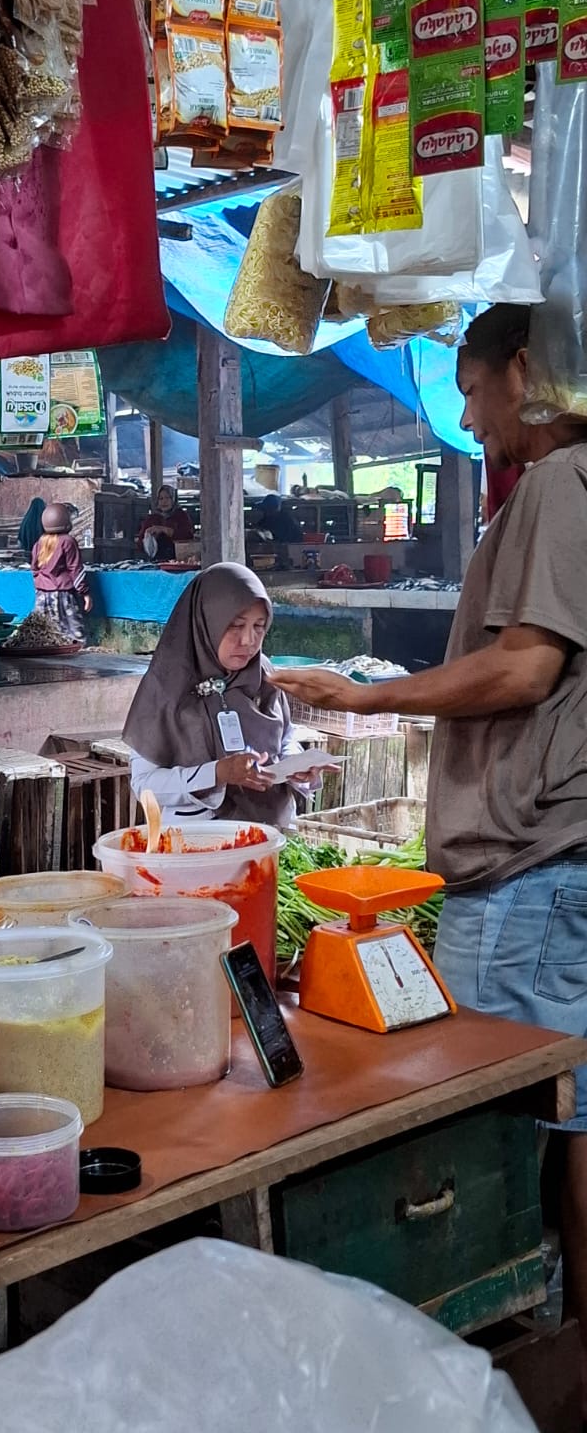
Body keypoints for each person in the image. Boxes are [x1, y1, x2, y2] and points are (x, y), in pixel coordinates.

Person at [272, 303, 587, 1411]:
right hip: (536, 864)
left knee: (525, 1114)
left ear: (524, 370)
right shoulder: (552, 492)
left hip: (532, 867)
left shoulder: (558, 484)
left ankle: (544, 1342)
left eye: (469, 385)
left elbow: (523, 671)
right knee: (555, 1107)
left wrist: (368, 695)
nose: (463, 413)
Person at [123, 562, 323, 823]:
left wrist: (297, 765)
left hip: (273, 836)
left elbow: (285, 737)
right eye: (236, 626)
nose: (249, 641)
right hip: (201, 844)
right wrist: (217, 774)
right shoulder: (167, 686)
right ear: (206, 622)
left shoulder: (262, 673)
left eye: (259, 627)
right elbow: (145, 785)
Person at [31, 502, 90, 646]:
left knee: (42, 633)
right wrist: (85, 593)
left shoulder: (40, 542)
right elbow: (75, 570)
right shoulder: (68, 542)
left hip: (42, 595)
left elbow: (34, 568)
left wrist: (40, 586)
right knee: (74, 633)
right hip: (63, 595)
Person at [136, 484, 195, 561]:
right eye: (161, 498)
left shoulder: (181, 516)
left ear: (173, 499)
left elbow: (188, 536)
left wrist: (166, 530)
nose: (164, 501)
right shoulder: (152, 518)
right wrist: (148, 537)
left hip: (177, 559)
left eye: (168, 498)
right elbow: (140, 544)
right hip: (156, 561)